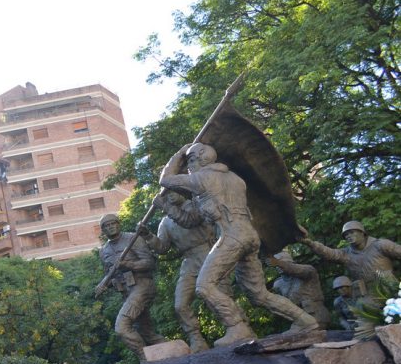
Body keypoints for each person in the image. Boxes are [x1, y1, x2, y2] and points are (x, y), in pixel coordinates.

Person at [159, 142, 318, 346]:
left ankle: (237, 327)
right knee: (258, 294)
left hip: (230, 235)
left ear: (202, 159)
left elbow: (166, 180)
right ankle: (305, 321)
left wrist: (179, 153)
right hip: (250, 236)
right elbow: (193, 218)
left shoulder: (201, 179)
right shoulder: (235, 178)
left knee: (204, 286)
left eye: (190, 160)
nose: (188, 166)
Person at [140, 191, 227, 352]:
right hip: (189, 260)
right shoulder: (166, 222)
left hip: (209, 253)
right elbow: (162, 247)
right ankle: (196, 339)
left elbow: (190, 221)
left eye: (174, 190)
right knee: (180, 304)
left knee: (219, 295)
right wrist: (148, 236)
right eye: (166, 194)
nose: (170, 195)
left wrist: (165, 207)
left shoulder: (196, 206)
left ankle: (234, 327)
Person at [96, 213, 166, 360]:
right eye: (106, 226)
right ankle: (172, 352)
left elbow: (150, 263)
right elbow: (110, 273)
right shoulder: (104, 251)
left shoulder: (133, 239)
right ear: (103, 230)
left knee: (122, 327)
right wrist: (104, 284)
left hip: (142, 286)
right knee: (146, 332)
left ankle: (144, 358)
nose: (110, 227)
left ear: (118, 224)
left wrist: (129, 264)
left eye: (113, 223)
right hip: (126, 291)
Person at [301, 221, 401, 296]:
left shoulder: (381, 245)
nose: (348, 236)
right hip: (367, 295)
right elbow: (330, 253)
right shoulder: (346, 254)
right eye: (346, 235)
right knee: (364, 320)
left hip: (390, 288)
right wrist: (311, 244)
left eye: (352, 232)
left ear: (362, 232)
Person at [266, 252, 331, 329]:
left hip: (316, 316)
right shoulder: (278, 284)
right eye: (276, 265)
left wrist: (279, 263)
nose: (278, 266)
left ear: (292, 263)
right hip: (298, 319)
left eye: (283, 263)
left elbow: (303, 270)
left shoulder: (308, 272)